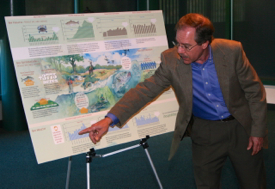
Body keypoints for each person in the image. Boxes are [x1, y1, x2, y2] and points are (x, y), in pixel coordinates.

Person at [79, 13, 267, 188]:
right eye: (177, 43)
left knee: (253, 182)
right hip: (205, 131)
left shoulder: (231, 51)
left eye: (186, 46)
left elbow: (254, 91)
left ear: (205, 44)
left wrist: (257, 131)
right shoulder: (171, 60)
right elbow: (145, 90)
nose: (179, 50)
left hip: (241, 127)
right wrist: (109, 119)